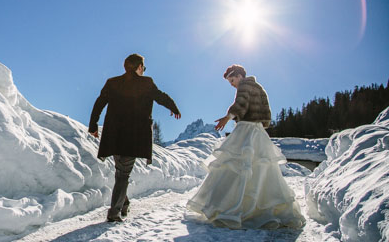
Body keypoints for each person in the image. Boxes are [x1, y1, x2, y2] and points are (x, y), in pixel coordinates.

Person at [186, 64, 305, 229]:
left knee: (235, 167)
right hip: (258, 131)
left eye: (232, 80)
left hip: (247, 129)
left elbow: (241, 104)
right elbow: (267, 114)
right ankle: (261, 208)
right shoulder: (258, 87)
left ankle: (231, 208)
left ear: (239, 75)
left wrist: (227, 118)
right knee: (261, 171)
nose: (232, 84)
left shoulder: (244, 85)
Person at [89, 54, 181, 222]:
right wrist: (173, 107)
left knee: (121, 172)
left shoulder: (112, 82)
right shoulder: (146, 83)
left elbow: (99, 103)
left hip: (114, 136)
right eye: (143, 68)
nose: (143, 71)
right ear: (139, 67)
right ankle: (114, 212)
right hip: (133, 137)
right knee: (123, 174)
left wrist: (93, 125)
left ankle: (124, 204)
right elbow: (160, 96)